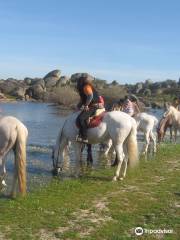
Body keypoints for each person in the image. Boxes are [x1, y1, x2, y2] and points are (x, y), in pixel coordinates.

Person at [76, 74, 104, 143]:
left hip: (94, 105)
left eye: (78, 82)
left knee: (81, 118)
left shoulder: (86, 86)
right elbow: (83, 100)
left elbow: (90, 96)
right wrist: (77, 106)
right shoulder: (85, 87)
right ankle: (80, 135)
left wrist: (86, 105)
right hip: (93, 105)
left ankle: (84, 137)